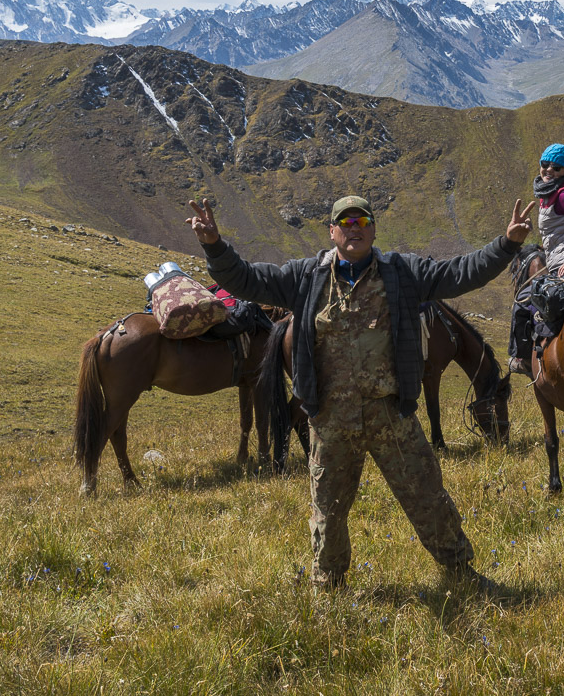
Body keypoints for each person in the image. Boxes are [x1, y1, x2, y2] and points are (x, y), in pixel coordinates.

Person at [187, 194, 534, 591]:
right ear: (332, 231)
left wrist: (506, 244)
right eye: (345, 222)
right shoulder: (305, 277)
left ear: (373, 229)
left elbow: (460, 273)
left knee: (427, 496)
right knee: (328, 512)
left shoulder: (402, 273)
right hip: (331, 421)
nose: (354, 228)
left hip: (391, 415)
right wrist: (213, 244)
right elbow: (246, 279)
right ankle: (329, 587)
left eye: (362, 221)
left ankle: (460, 573)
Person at [507, 143, 564, 375]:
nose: (548, 170)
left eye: (556, 168)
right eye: (544, 164)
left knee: (522, 301)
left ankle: (522, 359)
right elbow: (561, 229)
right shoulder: (550, 193)